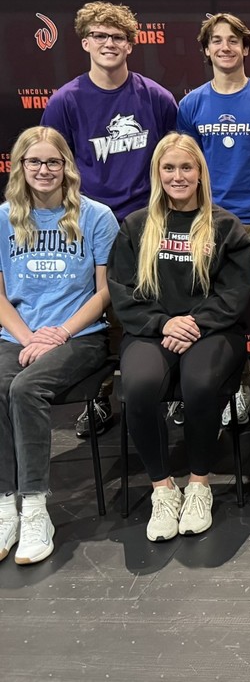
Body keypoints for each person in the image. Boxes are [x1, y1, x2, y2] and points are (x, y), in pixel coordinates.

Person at [41, 1, 178, 437]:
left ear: (130, 45)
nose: (109, 43)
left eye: (117, 36)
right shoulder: (66, 101)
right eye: (99, 36)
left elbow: (175, 161)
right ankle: (98, 397)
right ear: (85, 42)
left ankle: (173, 393)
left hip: (148, 220)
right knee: (101, 313)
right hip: (91, 224)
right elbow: (52, 165)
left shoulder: (155, 97)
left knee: (163, 304)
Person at [108, 133, 250, 542]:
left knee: (200, 383)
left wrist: (193, 323)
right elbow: (123, 290)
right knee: (138, 386)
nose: (178, 176)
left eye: (186, 167)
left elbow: (235, 293)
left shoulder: (225, 227)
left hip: (213, 331)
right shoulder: (136, 226)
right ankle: (163, 489)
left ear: (200, 173)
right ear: (157, 173)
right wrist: (163, 323)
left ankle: (199, 485)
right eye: (169, 168)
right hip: (152, 330)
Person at [0, 127, 118, 564]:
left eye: (53, 162)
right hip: (19, 336)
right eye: (35, 162)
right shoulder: (4, 218)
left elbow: (104, 293)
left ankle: (34, 509)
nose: (44, 170)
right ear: (20, 167)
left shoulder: (96, 217)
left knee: (26, 389)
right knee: (1, 383)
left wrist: (61, 333)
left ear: (67, 166)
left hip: (80, 337)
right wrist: (29, 337)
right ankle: (4, 507)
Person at [177, 12, 250, 426]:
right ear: (207, 50)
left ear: (246, 48)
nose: (224, 47)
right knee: (217, 309)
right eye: (216, 41)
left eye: (233, 40)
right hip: (209, 221)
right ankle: (231, 386)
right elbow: (184, 165)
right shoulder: (191, 104)